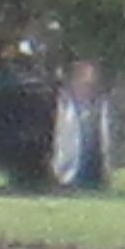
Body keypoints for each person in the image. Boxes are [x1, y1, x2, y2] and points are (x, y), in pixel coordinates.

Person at [48, 60, 113, 189]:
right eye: (84, 82)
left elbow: (105, 139)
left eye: (90, 84)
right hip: (68, 170)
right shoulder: (62, 105)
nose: (88, 87)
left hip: (95, 171)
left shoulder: (99, 105)